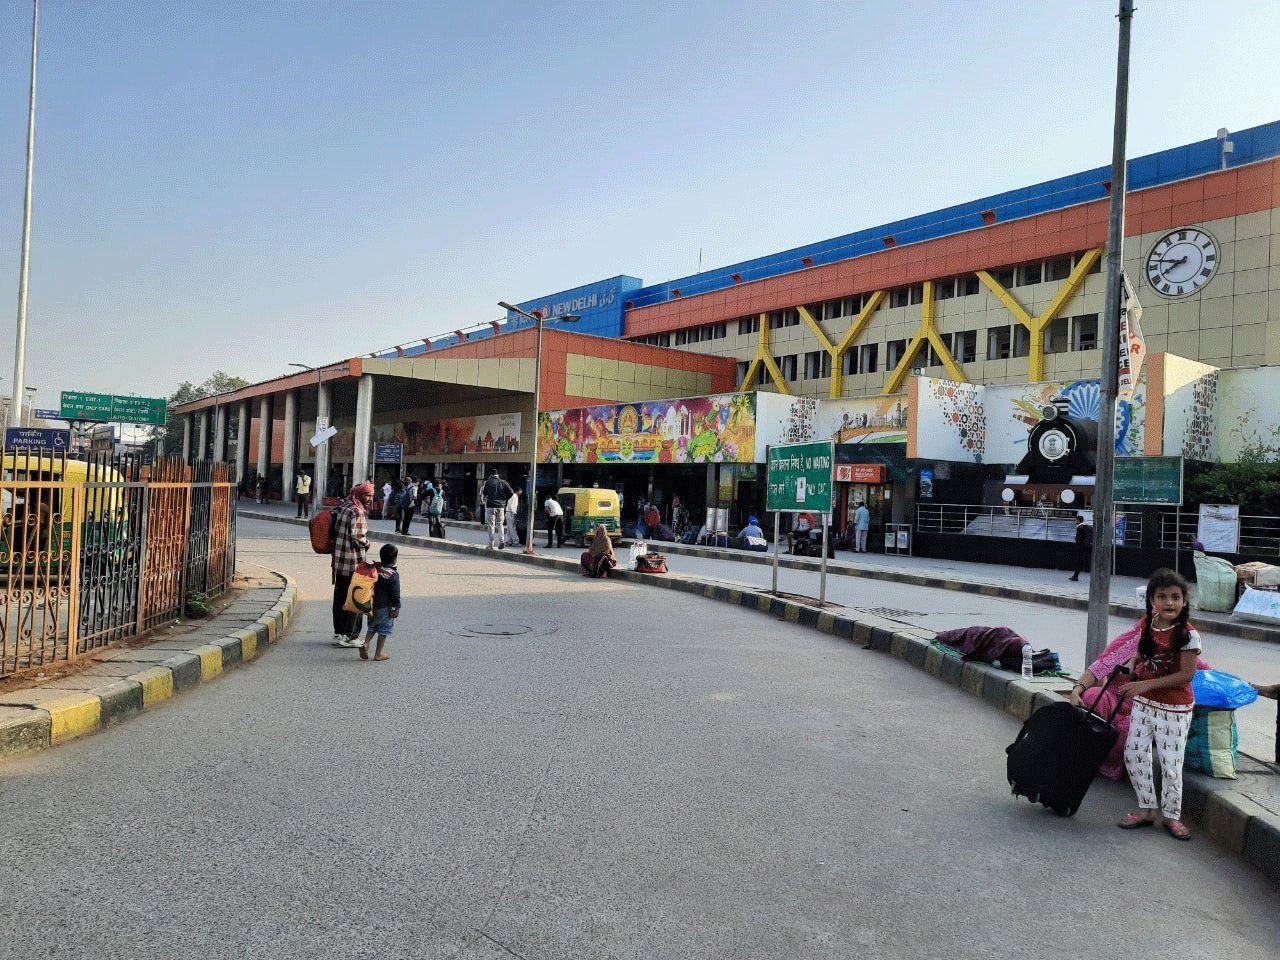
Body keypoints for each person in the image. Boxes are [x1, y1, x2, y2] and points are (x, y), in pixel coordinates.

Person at [1115, 569, 1202, 841]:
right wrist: (1132, 665)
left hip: (1174, 710)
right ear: (1152, 600)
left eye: (1175, 597)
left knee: (1170, 764)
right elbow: (1143, 649)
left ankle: (1172, 817)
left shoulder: (1189, 636)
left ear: (1185, 601)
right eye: (1162, 597)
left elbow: (1187, 675)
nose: (1169, 603)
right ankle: (1147, 810)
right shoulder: (1149, 622)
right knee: (1133, 754)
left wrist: (1144, 685)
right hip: (1144, 704)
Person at [331, 482, 373, 647]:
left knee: (340, 597)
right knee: (356, 598)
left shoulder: (343, 506)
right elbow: (359, 538)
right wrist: (367, 543)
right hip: (353, 563)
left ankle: (339, 632)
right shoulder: (357, 511)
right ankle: (351, 636)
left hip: (340, 562)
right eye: (367, 495)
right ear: (358, 494)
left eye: (370, 495)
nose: (369, 499)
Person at [358, 543, 401, 662]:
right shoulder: (393, 575)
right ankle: (378, 654)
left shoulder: (375, 570)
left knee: (372, 627)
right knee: (384, 630)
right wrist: (396, 607)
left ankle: (366, 643)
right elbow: (395, 594)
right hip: (385, 608)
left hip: (372, 605)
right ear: (394, 559)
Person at [480, 469, 514, 549]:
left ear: (491, 475)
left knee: (491, 525)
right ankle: (502, 541)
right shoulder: (503, 482)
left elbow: (484, 493)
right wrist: (504, 499)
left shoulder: (488, 482)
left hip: (491, 506)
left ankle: (491, 544)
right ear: (498, 475)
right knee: (500, 524)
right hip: (501, 506)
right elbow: (511, 492)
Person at [1068, 513, 1093, 582]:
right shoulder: (1086, 527)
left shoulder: (1080, 528)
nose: (1075, 521)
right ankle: (1076, 575)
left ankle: (1075, 576)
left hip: (1081, 547)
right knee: (1084, 561)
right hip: (1087, 546)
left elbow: (1078, 538)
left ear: (1078, 520)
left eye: (1076, 520)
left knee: (1079, 561)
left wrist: (1076, 539)